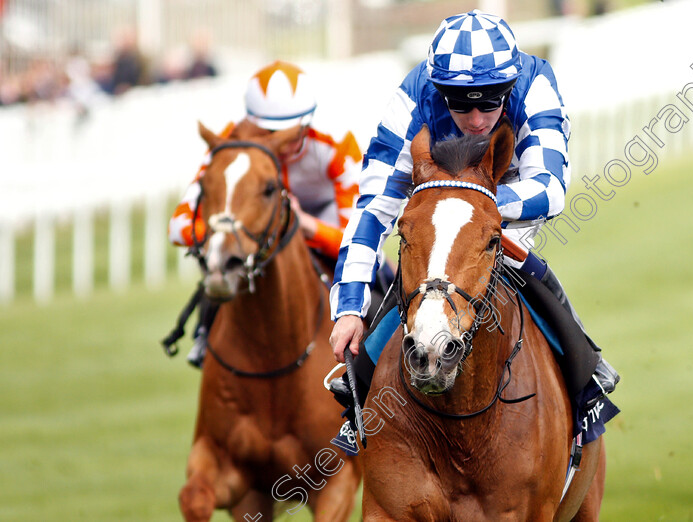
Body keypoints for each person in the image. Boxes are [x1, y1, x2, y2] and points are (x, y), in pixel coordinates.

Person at [327, 10, 619, 428]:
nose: (479, 119)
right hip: (438, 198)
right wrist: (350, 307)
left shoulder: (534, 84)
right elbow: (374, 210)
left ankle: (584, 371)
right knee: (425, 264)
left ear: (510, 87)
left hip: (505, 193)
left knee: (510, 257)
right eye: (463, 105)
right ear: (438, 90)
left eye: (491, 102)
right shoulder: (412, 100)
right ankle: (359, 388)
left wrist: (473, 206)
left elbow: (550, 189)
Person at [167, 60, 365, 367]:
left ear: (307, 123)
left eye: (289, 132)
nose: (278, 142)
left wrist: (305, 225)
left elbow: (360, 240)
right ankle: (204, 334)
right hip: (255, 234)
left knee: (381, 272)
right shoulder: (229, 143)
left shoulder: (338, 144)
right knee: (222, 264)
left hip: (323, 221)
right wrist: (230, 234)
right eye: (268, 131)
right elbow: (178, 226)